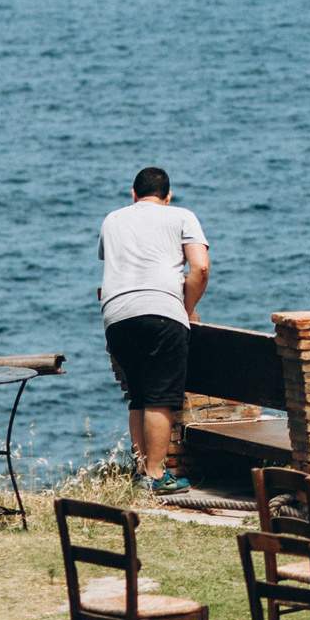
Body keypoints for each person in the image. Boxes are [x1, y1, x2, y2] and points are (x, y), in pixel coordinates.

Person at [98, 166, 209, 495]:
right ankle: (157, 475)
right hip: (161, 313)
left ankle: (142, 471)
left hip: (116, 316)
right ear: (168, 196)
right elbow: (200, 268)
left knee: (139, 396)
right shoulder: (181, 216)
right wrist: (186, 309)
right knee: (160, 398)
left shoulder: (112, 220)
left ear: (134, 195)